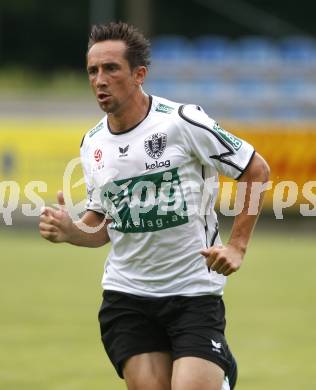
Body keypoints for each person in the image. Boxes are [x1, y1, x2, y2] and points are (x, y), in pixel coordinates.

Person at [39, 22, 269, 390]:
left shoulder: (182, 122)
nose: (100, 79)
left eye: (111, 68)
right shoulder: (92, 144)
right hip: (127, 297)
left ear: (139, 74)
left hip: (193, 293)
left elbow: (256, 170)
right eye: (93, 71)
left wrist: (237, 245)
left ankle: (217, 371)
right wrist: (72, 230)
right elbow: (102, 226)